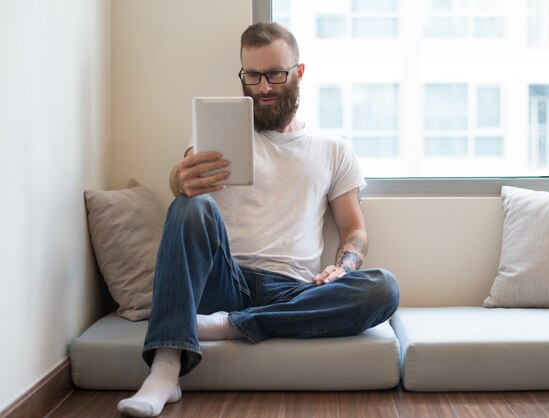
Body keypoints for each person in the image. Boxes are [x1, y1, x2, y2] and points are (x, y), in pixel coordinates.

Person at [117, 21, 400, 417]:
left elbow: (354, 230)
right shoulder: (218, 135)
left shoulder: (333, 149)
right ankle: (164, 371)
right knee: (188, 205)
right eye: (252, 75)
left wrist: (342, 266)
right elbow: (185, 191)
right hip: (224, 279)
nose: (263, 87)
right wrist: (178, 180)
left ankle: (227, 325)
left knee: (383, 288)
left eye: (274, 75)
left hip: (294, 290)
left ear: (299, 73)